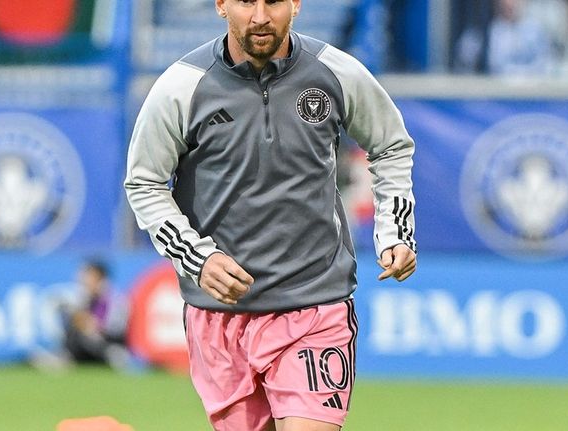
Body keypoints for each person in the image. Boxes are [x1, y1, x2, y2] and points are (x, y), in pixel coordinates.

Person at [124, 0, 416, 430]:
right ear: (222, 4)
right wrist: (198, 259)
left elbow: (391, 145)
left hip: (315, 305)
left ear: (296, 4)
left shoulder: (336, 72)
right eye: (245, 1)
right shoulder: (181, 87)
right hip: (220, 315)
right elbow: (144, 183)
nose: (260, 16)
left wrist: (395, 231)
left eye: (274, 1)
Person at [55, 259, 130, 370]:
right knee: (73, 326)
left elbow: (114, 328)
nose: (85, 281)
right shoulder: (87, 297)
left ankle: (112, 355)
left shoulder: (112, 298)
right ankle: (67, 358)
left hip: (109, 340)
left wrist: (91, 325)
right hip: (92, 340)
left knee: (84, 335)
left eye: (89, 277)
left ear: (100, 278)